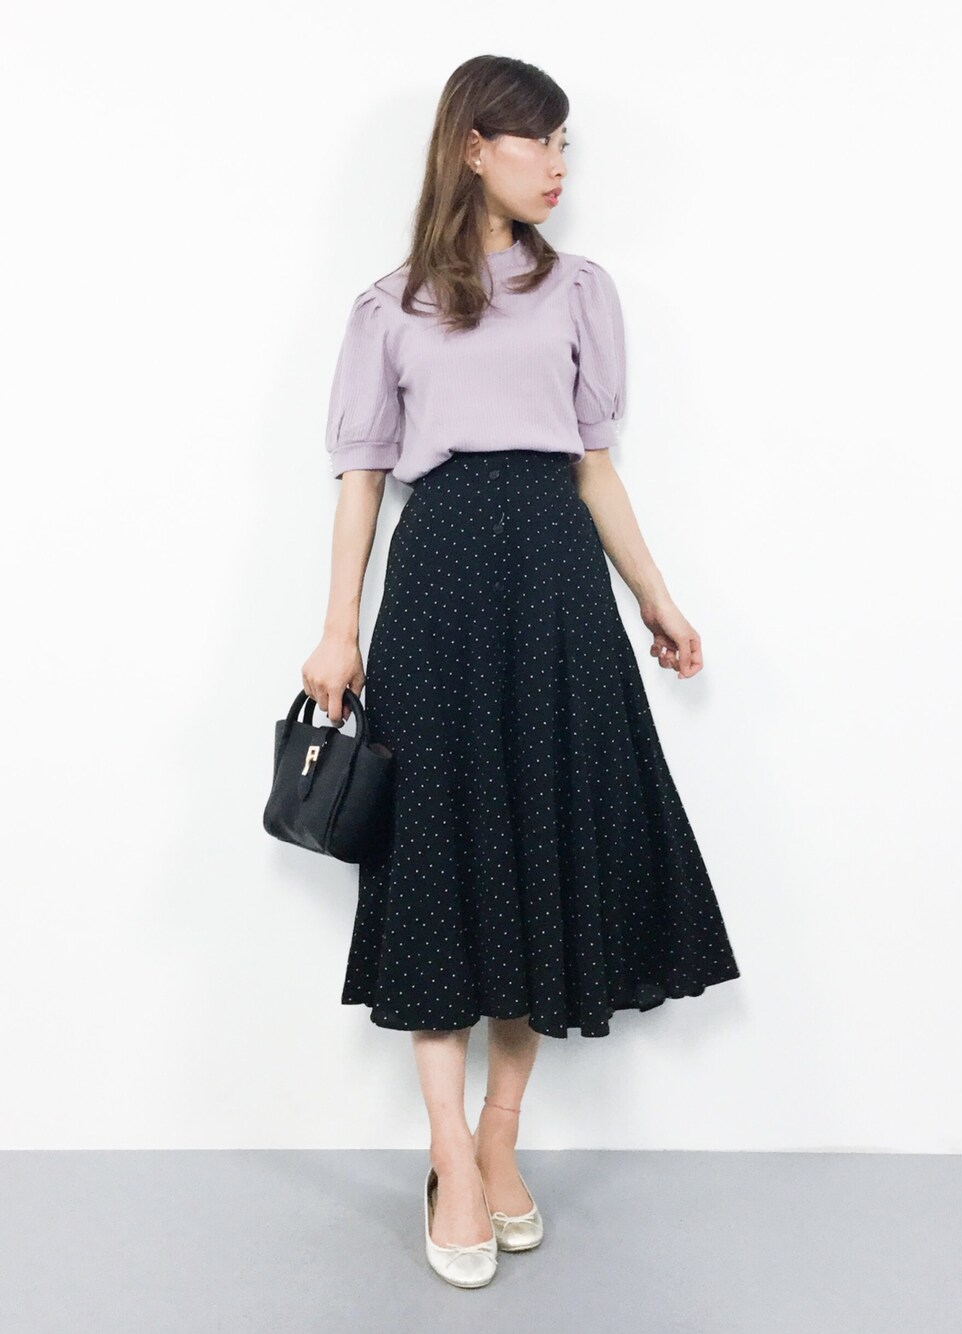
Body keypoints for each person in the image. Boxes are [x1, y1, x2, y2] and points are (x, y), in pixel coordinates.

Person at [301, 54, 741, 1288]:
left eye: (563, 144)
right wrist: (337, 628)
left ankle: (500, 1135)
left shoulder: (580, 292)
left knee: (538, 848)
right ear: (470, 148)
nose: (556, 163)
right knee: (440, 858)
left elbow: (594, 466)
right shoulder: (389, 305)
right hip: (437, 582)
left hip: (554, 581)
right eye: (535, 140)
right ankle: (447, 1152)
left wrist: (656, 597)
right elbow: (362, 480)